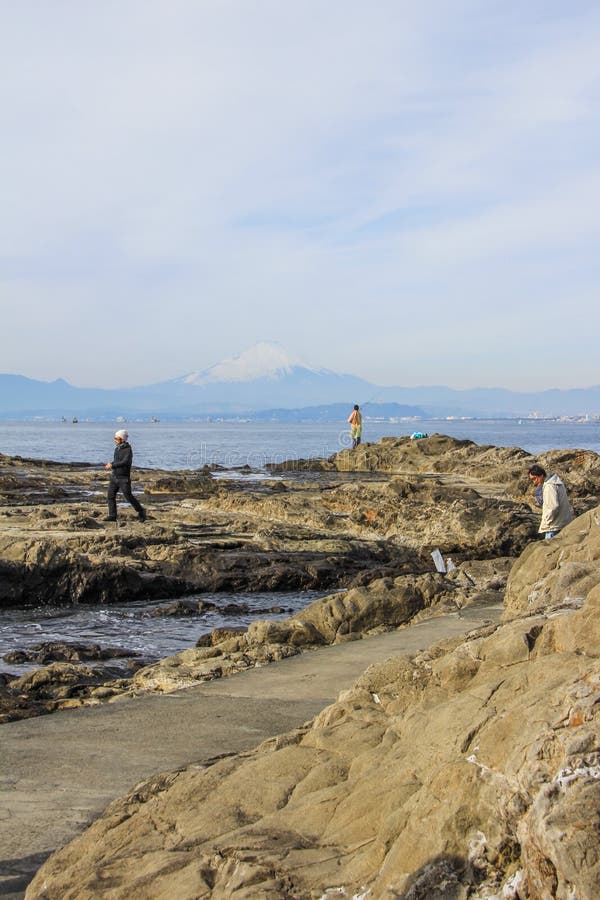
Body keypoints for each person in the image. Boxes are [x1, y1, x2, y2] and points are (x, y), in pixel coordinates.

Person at [104, 430, 147, 523]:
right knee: (110, 496)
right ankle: (112, 515)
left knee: (128, 496)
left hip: (124, 478)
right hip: (114, 476)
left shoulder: (128, 450)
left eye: (116, 438)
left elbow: (125, 462)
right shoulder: (117, 449)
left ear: (122, 439)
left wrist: (112, 465)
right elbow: (117, 461)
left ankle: (141, 511)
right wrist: (111, 464)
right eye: (114, 438)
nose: (114, 440)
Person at [527, 464, 573, 539]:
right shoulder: (556, 482)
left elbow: (553, 507)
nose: (534, 482)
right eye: (532, 480)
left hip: (553, 526)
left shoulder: (549, 487)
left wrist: (547, 522)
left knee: (550, 548)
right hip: (562, 522)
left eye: (534, 478)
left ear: (541, 475)